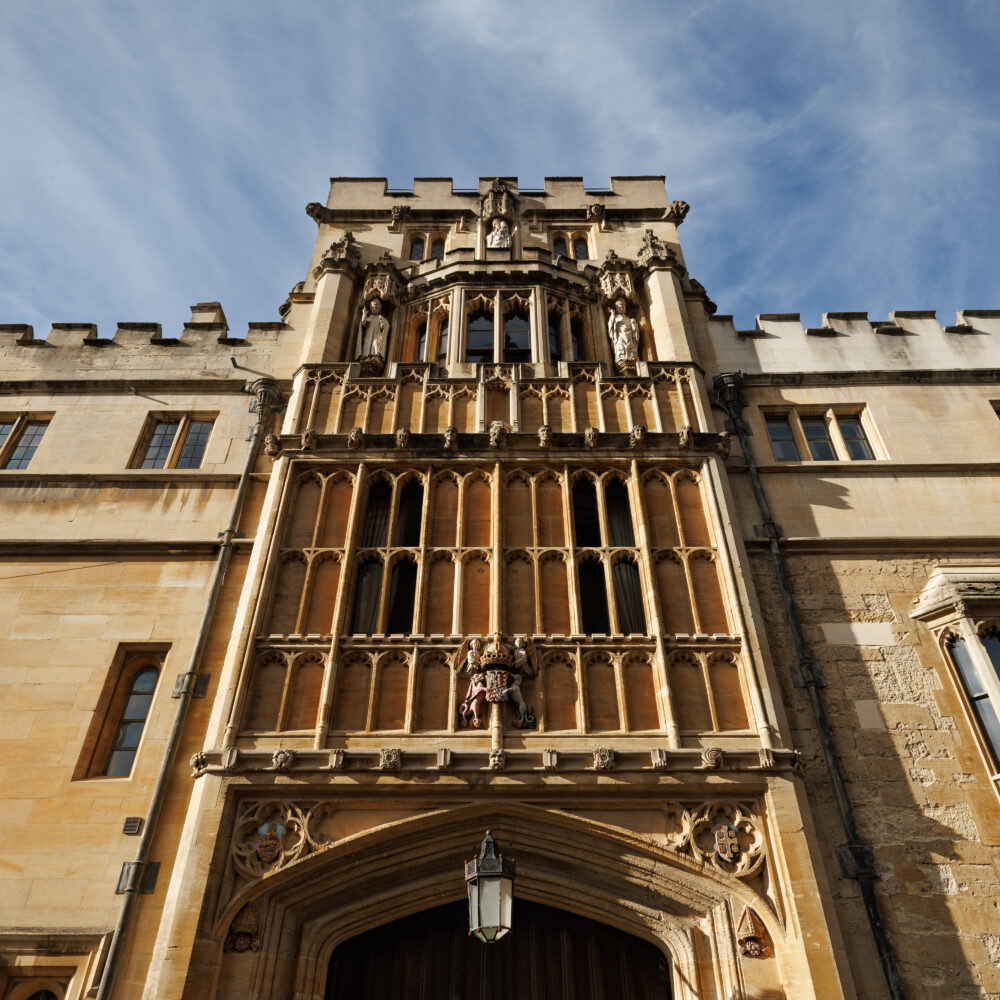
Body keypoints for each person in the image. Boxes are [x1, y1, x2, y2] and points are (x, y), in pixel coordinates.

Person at [607, 297, 638, 363]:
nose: (621, 308)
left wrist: (634, 324)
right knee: (620, 347)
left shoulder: (629, 319)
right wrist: (612, 315)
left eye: (623, 307)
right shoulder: (614, 318)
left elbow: (635, 332)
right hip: (620, 337)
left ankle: (631, 358)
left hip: (629, 338)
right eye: (619, 307)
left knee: (631, 348)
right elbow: (611, 327)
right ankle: (621, 359)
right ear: (616, 308)